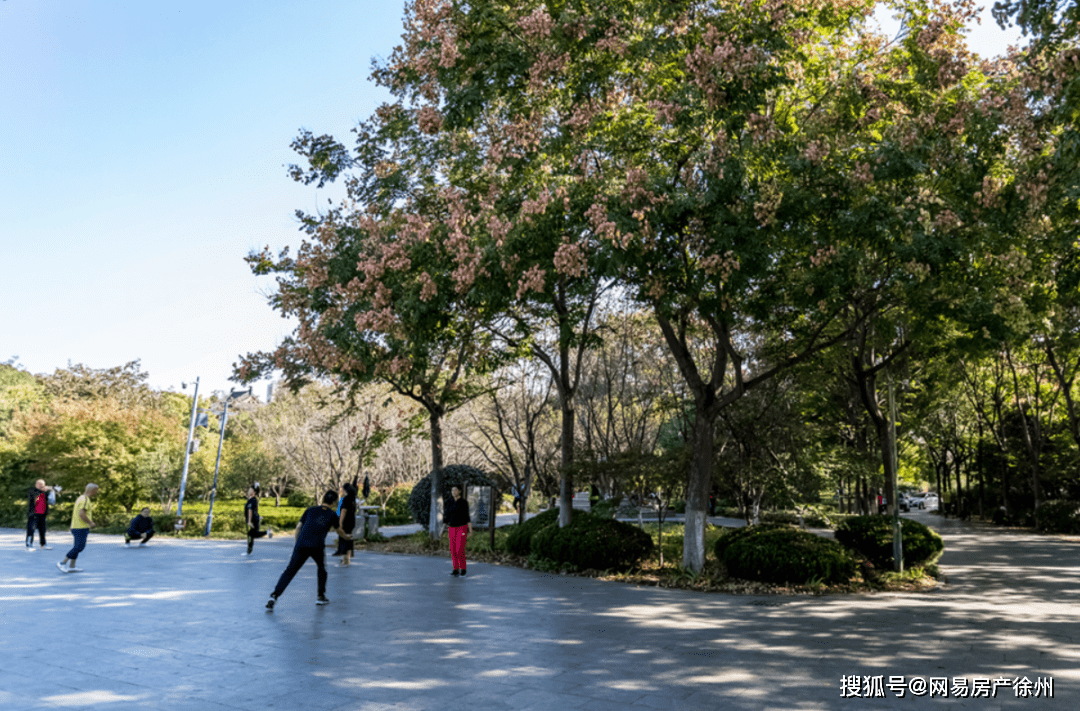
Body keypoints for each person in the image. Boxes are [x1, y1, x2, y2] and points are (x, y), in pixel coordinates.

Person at [266, 490, 352, 609]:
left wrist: (297, 546)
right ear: (334, 502)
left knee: (290, 571)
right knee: (321, 569)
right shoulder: (332, 515)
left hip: (301, 545)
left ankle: (274, 596)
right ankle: (320, 597)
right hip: (317, 546)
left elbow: (298, 528)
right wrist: (347, 537)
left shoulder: (310, 510)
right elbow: (339, 531)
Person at [57, 483, 98, 573]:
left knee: (77, 546)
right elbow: (81, 514)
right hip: (80, 527)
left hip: (77, 526)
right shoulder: (85, 500)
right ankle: (62, 563)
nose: (97, 492)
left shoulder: (81, 498)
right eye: (96, 490)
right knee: (79, 547)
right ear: (92, 490)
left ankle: (72, 566)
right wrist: (90, 523)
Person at [444, 486, 472, 577]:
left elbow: (467, 516)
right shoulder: (449, 502)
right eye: (452, 490)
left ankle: (463, 568)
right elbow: (446, 516)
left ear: (459, 491)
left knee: (460, 549)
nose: (453, 492)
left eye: (455, 490)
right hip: (452, 528)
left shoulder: (464, 502)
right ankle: (455, 569)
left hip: (462, 527)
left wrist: (470, 530)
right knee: (453, 549)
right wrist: (444, 527)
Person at [26, 479, 57, 551]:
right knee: (31, 530)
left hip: (43, 514)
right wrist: (44, 490)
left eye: (43, 484)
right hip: (33, 515)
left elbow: (51, 499)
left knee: (43, 530)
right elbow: (33, 496)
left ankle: (43, 544)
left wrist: (50, 490)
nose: (41, 486)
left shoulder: (46, 492)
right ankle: (29, 545)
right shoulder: (32, 491)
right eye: (40, 484)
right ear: (36, 484)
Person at [242, 485, 272, 557]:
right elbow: (255, 510)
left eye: (250, 489)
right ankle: (267, 532)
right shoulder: (253, 499)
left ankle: (248, 551)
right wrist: (258, 516)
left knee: (251, 535)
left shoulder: (252, 500)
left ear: (253, 492)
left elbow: (250, 511)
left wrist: (249, 521)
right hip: (255, 520)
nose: (249, 491)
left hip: (253, 521)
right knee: (253, 535)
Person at [337, 482, 358, 567]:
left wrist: (340, 523)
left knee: (343, 539)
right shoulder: (353, 499)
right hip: (352, 521)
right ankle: (347, 558)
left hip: (345, 521)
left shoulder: (346, 499)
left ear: (345, 489)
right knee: (349, 538)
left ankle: (345, 559)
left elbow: (343, 511)